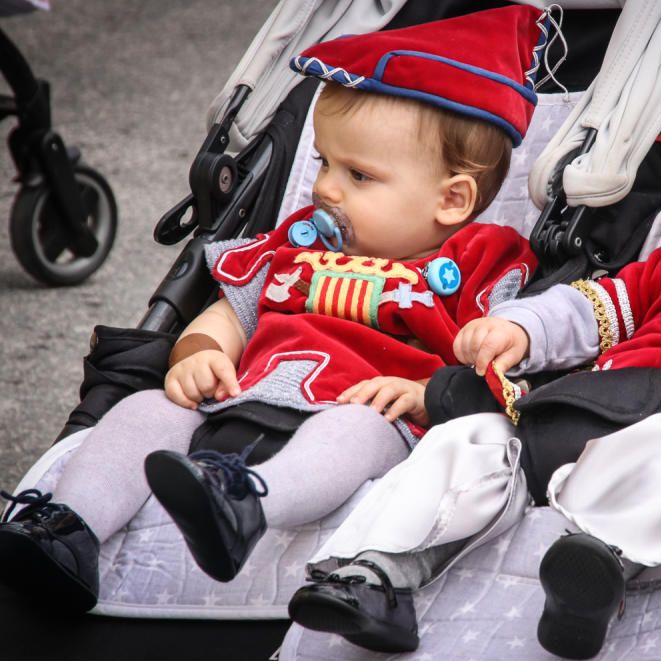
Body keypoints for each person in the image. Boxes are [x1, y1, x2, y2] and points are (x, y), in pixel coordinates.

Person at [285, 8, 661, 660]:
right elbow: (587, 308)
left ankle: (594, 570)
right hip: (594, 414)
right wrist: (520, 328)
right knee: (472, 437)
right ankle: (375, 570)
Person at [0, 5, 551, 615]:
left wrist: (429, 391)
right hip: (240, 398)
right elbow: (230, 314)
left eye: (359, 175)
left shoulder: (483, 266)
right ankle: (66, 528)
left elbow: (502, 366)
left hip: (368, 415)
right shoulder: (293, 245)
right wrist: (199, 352)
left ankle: (246, 505)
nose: (325, 188)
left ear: (452, 200)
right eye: (323, 163)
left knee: (352, 431)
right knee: (148, 407)